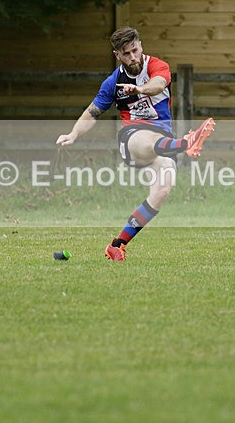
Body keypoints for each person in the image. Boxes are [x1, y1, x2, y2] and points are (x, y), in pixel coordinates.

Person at [56, 27, 215, 260]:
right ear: (117, 55)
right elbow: (93, 112)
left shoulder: (157, 66)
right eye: (127, 54)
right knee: (147, 140)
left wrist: (140, 89)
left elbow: (159, 85)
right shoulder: (113, 83)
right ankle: (187, 142)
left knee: (162, 191)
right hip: (132, 139)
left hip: (162, 139)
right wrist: (73, 134)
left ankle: (117, 244)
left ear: (141, 45)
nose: (133, 57)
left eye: (135, 50)